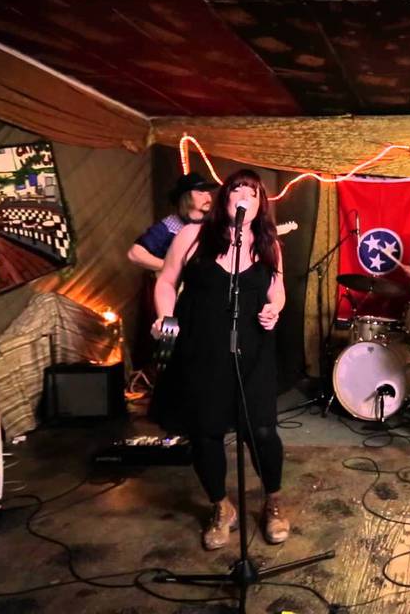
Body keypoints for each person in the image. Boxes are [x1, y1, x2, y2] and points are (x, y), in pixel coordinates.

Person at [152, 169, 288, 549]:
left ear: (260, 205)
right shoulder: (192, 236)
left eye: (253, 192)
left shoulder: (269, 244)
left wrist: (274, 309)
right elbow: (166, 281)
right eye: (237, 188)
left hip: (253, 350)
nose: (244, 195)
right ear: (225, 197)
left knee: (262, 431)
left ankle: (273, 501)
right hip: (201, 349)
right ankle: (221, 506)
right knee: (206, 432)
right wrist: (165, 317)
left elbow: (277, 289)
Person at [128, 172, 215, 272]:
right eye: (200, 193)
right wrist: (172, 268)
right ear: (187, 198)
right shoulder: (168, 227)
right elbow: (135, 254)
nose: (208, 198)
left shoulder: (212, 225)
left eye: (208, 193)